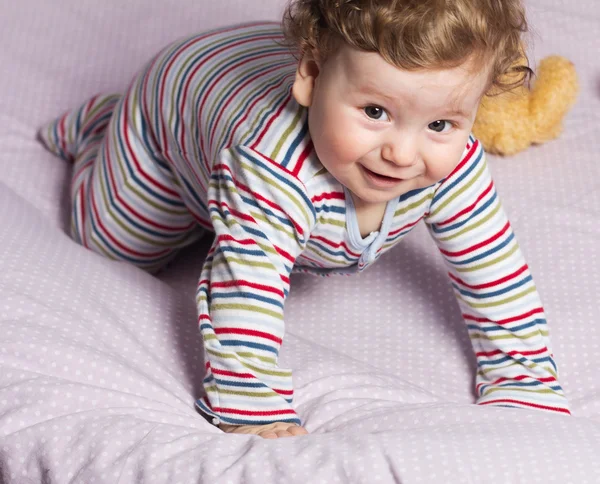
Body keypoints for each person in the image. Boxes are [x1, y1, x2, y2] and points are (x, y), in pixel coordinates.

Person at [39, 0, 571, 440]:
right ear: (312, 76)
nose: (403, 154)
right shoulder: (271, 168)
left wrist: (522, 380)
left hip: (246, 78)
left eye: (438, 122)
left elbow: (493, 268)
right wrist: (257, 409)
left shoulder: (453, 163)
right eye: (375, 113)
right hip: (174, 101)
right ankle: (102, 126)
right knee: (114, 245)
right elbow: (243, 288)